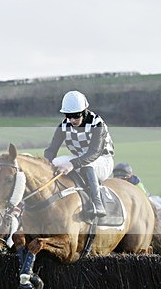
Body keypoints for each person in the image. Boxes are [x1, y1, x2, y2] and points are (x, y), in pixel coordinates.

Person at [44, 90, 114, 218]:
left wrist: (72, 164)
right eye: (68, 115)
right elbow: (51, 150)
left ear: (84, 111)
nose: (72, 120)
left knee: (89, 166)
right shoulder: (64, 126)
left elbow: (94, 152)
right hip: (79, 159)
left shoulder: (98, 124)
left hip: (102, 160)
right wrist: (43, 164)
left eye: (76, 116)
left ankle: (97, 203)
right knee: (54, 163)